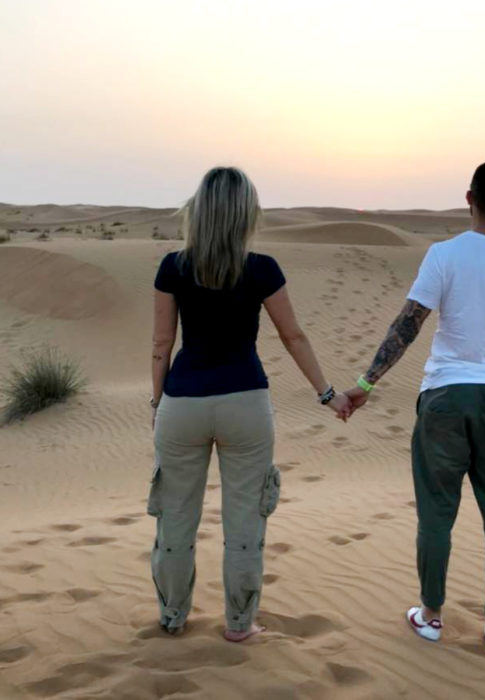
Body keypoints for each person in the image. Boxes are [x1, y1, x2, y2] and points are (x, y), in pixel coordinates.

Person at [344, 157, 485, 655]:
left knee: (436, 515)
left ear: (468, 198)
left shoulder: (443, 256)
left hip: (445, 397)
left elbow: (408, 325)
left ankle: (431, 615)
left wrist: (366, 382)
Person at [147, 166, 351, 641]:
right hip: (246, 404)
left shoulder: (172, 266)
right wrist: (328, 394)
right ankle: (239, 624)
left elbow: (161, 343)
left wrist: (158, 402)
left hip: (183, 403)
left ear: (198, 211)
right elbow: (293, 336)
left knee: (175, 520)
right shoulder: (262, 269)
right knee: (244, 523)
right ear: (245, 214)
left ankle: (173, 617)